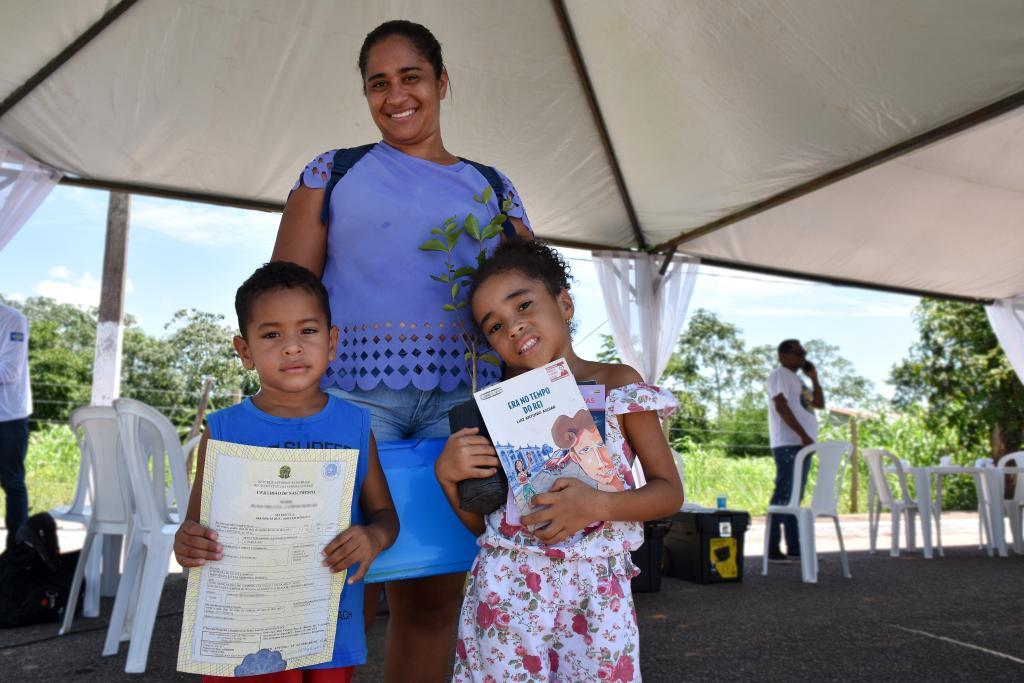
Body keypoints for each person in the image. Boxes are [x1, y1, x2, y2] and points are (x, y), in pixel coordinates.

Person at [272, 19, 531, 681]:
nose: (395, 95)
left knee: (433, 591)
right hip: (355, 404)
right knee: (327, 591)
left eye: (410, 77)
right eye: (377, 83)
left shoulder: (493, 188)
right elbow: (288, 298)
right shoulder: (332, 173)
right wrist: (281, 413)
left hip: (463, 411)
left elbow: (536, 301)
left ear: (442, 83)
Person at [435, 238, 684, 681]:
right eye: (493, 326)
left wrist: (599, 505)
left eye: (524, 305)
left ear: (564, 303)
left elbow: (668, 493)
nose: (512, 326)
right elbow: (490, 529)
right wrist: (448, 480)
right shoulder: (495, 412)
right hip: (506, 593)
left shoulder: (618, 384)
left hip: (597, 598)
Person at [173, 262, 399, 683]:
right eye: (272, 334)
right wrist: (187, 542)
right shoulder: (223, 430)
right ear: (245, 351)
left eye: (308, 331)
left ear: (331, 342)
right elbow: (195, 526)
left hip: (329, 621)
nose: (292, 347)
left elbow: (385, 515)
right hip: (244, 627)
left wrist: (372, 537)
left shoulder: (355, 425)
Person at [765, 339, 824, 563]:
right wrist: (803, 435)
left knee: (794, 498)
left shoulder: (799, 379)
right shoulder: (779, 375)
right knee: (784, 495)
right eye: (797, 353)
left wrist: (815, 379)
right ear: (783, 356)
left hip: (801, 444)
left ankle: (794, 547)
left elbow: (818, 403)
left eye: (803, 353)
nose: (802, 357)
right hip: (789, 444)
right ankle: (771, 548)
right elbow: (781, 406)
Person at [0, 301, 31, 551]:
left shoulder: (13, 319)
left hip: (8, 418)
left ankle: (16, 552)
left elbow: (9, 371)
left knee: (12, 483)